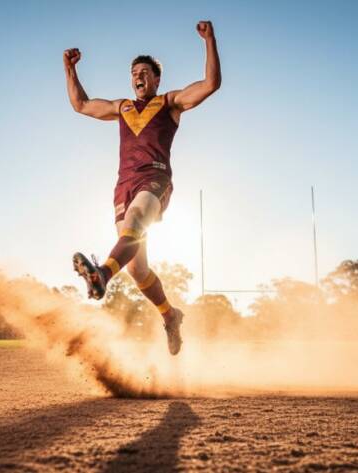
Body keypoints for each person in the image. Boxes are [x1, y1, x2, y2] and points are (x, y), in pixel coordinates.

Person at [64, 21, 221, 355]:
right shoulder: (121, 107)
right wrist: (69, 69)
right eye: (134, 71)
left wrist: (210, 40)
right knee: (137, 267)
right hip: (123, 184)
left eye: (145, 71)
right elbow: (81, 105)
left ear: (156, 78)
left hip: (156, 178)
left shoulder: (170, 102)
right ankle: (170, 315)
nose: (138, 76)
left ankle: (102, 276)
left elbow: (210, 83)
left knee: (137, 219)